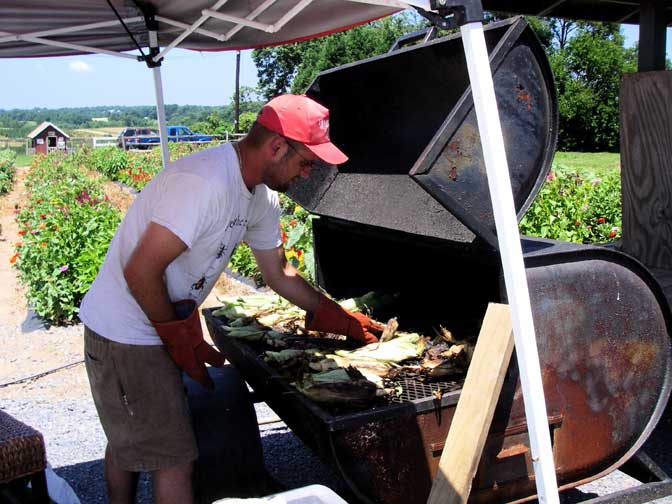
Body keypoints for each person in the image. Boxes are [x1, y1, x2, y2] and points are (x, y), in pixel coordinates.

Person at [78, 94, 384, 504]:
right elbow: (140, 271)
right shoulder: (204, 184)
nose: (308, 173)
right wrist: (176, 335)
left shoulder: (261, 195)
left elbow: (279, 273)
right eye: (307, 161)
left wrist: (337, 317)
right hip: (126, 333)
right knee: (174, 460)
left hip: (154, 322)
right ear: (277, 146)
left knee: (131, 434)